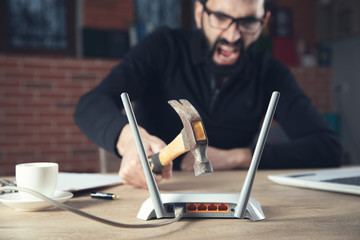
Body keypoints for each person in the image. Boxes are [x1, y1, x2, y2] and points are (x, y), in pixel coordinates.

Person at [74, 0, 343, 188]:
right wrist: (129, 140)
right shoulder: (163, 48)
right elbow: (90, 104)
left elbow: (329, 148)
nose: (233, 35)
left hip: (233, 195)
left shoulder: (270, 73)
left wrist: (240, 157)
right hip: (159, 192)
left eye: (248, 21)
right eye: (222, 17)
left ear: (264, 20)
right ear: (200, 11)